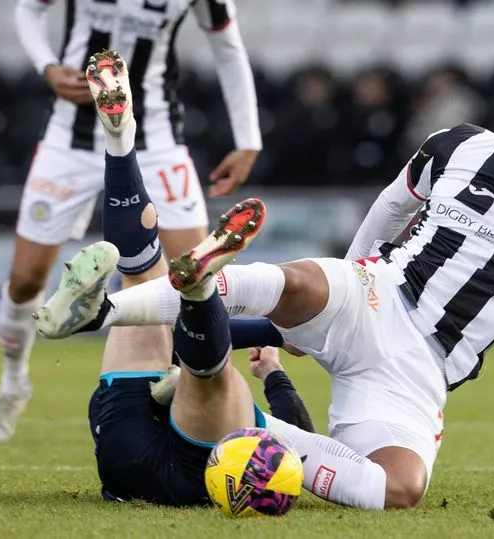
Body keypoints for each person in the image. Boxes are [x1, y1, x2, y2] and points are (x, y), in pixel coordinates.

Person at [38, 61, 494, 508]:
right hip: (375, 294)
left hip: (419, 370)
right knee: (298, 282)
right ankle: (104, 312)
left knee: (399, 490)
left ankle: (253, 423)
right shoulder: (458, 147)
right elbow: (390, 207)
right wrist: (353, 274)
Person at [30, 51, 312, 505]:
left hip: (184, 457)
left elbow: (294, 444)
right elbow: (296, 445)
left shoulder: (275, 435)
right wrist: (274, 369)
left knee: (146, 283)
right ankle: (145, 313)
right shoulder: (261, 428)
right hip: (132, 461)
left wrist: (278, 340)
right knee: (205, 368)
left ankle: (120, 148)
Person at [0, 0, 263, 442]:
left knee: (194, 273)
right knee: (25, 279)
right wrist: (48, 67)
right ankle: (13, 381)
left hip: (156, 136)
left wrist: (248, 139)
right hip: (69, 137)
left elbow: (228, 47)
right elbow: (28, 9)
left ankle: (182, 385)